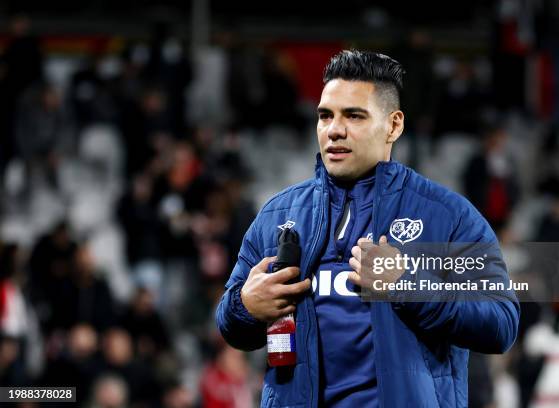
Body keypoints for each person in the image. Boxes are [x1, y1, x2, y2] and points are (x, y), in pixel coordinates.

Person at [216, 50, 520, 407]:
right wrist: (246, 306)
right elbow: (229, 319)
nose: (334, 130)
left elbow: (501, 323)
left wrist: (408, 285)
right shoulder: (279, 214)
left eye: (354, 116)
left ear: (393, 125)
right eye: (325, 116)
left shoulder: (448, 216)